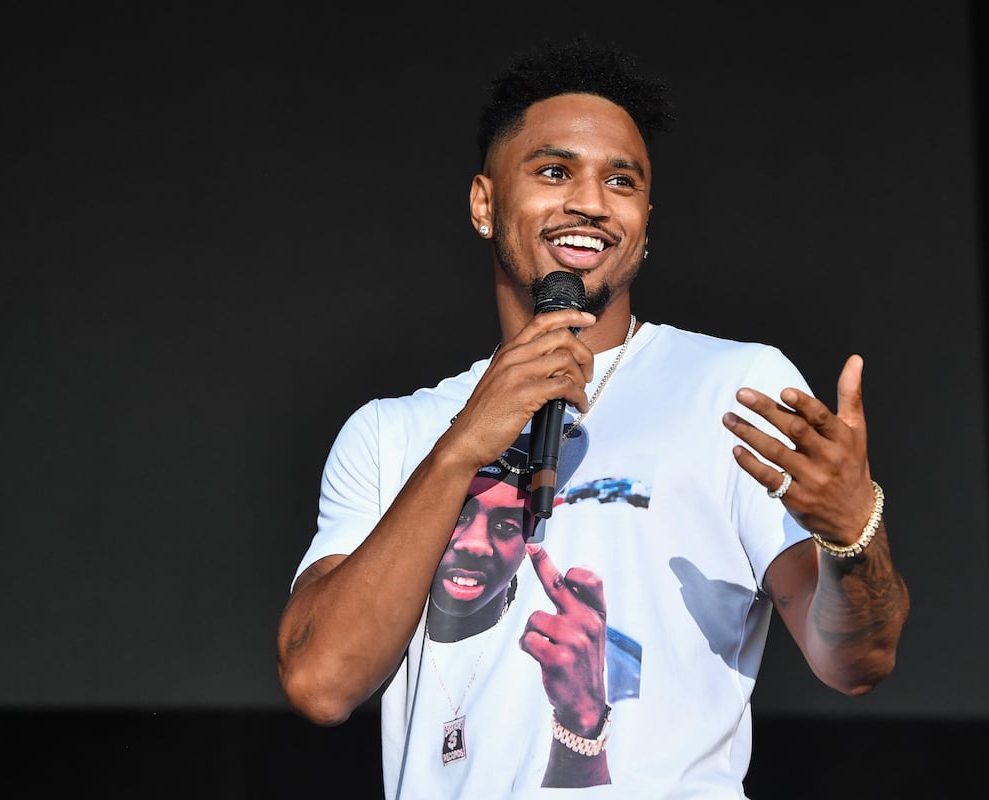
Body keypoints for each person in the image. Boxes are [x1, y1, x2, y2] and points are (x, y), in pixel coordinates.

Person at [277, 37, 910, 798]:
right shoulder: (391, 434)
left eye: (621, 181)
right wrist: (460, 450)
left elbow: (856, 662)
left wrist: (852, 536)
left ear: (645, 217)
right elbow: (320, 681)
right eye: (553, 172)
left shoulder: (734, 388)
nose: (589, 202)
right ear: (484, 203)